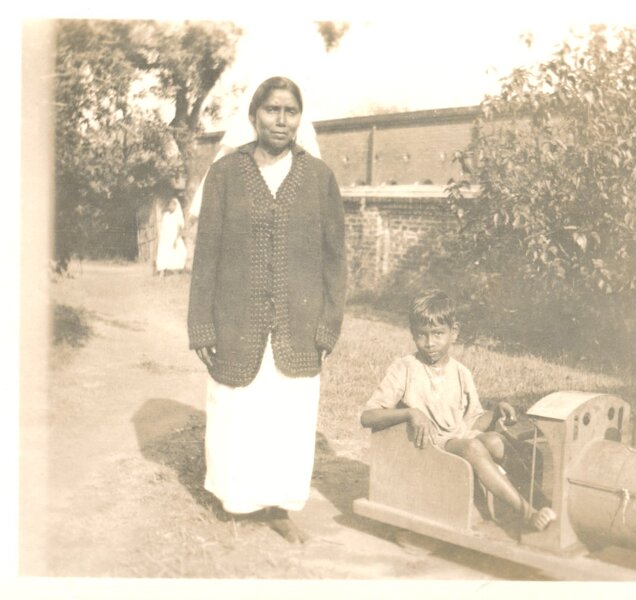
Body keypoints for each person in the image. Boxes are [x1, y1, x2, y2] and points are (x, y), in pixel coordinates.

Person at [187, 76, 347, 543]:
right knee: (237, 409)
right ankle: (236, 500)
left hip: (297, 326)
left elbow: (335, 258)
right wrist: (201, 325)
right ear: (254, 115)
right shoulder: (224, 175)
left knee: (287, 416)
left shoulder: (319, 178)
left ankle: (278, 506)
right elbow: (207, 254)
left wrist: (328, 325)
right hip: (236, 319)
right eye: (272, 110)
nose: (281, 120)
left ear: (301, 118)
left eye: (290, 111)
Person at [360, 290, 556, 532]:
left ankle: (542, 503)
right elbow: (367, 416)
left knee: (495, 441)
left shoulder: (461, 372)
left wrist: (496, 413)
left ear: (454, 333)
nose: (430, 343)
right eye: (421, 335)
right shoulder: (404, 368)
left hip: (457, 438)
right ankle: (526, 512)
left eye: (438, 334)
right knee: (473, 447)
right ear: (412, 334)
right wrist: (411, 413)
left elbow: (472, 420)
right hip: (429, 447)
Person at [155, 197, 187, 276]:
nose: (170, 207)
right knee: (163, 252)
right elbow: (163, 227)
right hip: (165, 237)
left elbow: (180, 229)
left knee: (177, 253)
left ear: (176, 206)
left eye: (173, 205)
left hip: (174, 237)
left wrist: (176, 240)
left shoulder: (178, 216)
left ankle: (175, 271)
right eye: (170, 205)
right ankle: (162, 271)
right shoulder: (166, 215)